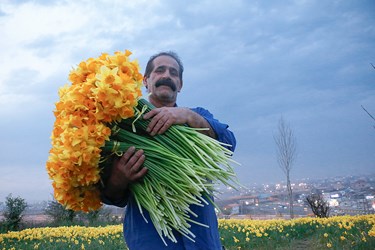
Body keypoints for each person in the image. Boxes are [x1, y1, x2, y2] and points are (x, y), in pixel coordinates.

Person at [101, 51, 236, 249]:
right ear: (145, 81)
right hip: (150, 242)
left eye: (174, 73)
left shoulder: (197, 116)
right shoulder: (119, 131)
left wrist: (188, 117)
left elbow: (228, 144)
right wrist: (117, 179)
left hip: (202, 242)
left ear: (180, 85)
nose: (167, 75)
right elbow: (111, 196)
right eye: (160, 70)